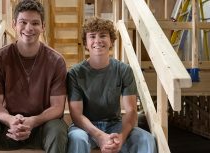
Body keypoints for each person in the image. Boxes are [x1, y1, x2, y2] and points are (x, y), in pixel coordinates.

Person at [0, 0, 68, 152]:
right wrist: (11, 120)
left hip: (42, 127)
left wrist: (33, 121)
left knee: (58, 130)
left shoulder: (56, 61)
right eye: (23, 22)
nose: (29, 28)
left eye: (35, 23)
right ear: (14, 24)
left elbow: (58, 108)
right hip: (7, 127)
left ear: (43, 27)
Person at [67, 17, 157, 153]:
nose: (97, 40)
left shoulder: (124, 70)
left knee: (146, 139)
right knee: (77, 139)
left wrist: (121, 136)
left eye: (103, 35)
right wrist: (99, 136)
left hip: (115, 125)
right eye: (92, 36)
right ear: (86, 43)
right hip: (84, 127)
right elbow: (76, 115)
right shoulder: (75, 73)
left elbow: (131, 110)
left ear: (111, 41)